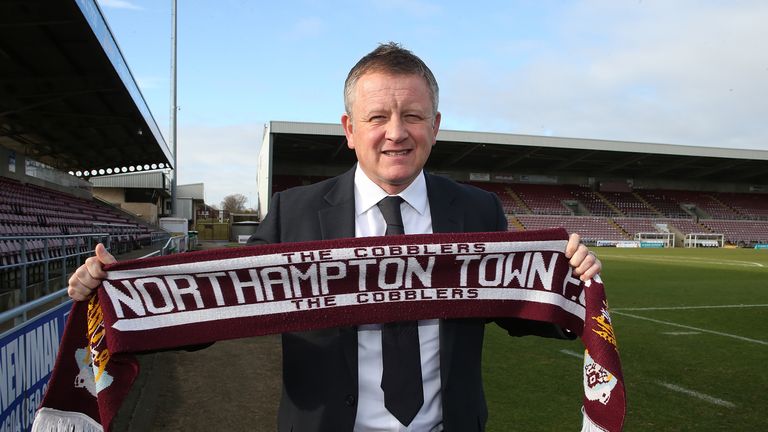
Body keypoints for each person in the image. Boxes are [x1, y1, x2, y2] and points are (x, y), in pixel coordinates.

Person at [68, 42, 601, 432]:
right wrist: (116, 296)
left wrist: (574, 286)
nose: (396, 132)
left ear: (435, 125)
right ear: (349, 129)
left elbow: (518, 309)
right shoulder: (294, 212)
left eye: (412, 116)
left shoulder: (477, 209)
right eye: (378, 117)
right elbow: (218, 305)